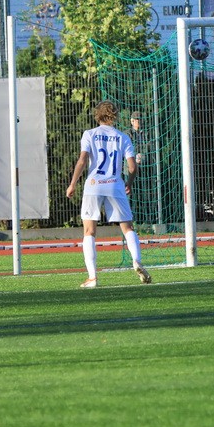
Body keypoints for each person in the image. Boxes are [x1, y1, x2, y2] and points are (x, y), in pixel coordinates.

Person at [66, 100, 152, 288]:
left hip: (94, 185)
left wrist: (72, 184)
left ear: (97, 115)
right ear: (115, 115)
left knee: (89, 231)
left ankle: (92, 277)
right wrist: (128, 183)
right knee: (128, 227)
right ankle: (137, 261)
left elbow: (82, 160)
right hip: (115, 185)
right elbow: (132, 167)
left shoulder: (89, 134)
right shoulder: (123, 137)